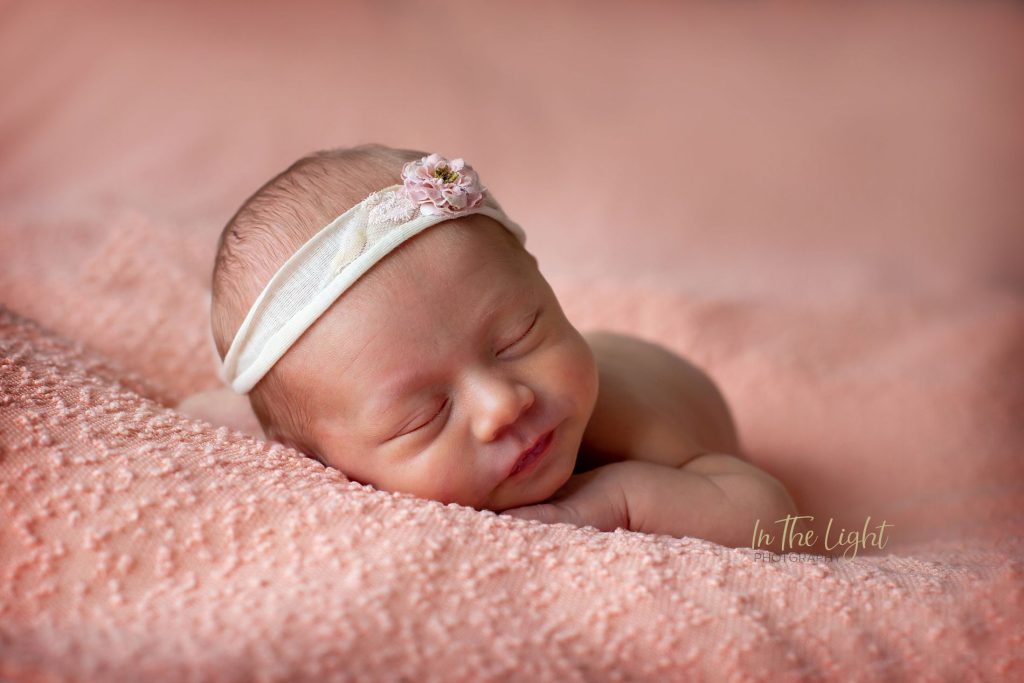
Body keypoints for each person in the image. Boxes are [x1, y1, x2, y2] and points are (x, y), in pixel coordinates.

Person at [181, 143, 797, 550]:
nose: (503, 404)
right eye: (424, 414)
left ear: (542, 283)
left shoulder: (627, 425)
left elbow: (772, 518)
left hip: (668, 395)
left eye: (518, 337)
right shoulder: (322, 436)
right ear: (317, 457)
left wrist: (617, 500)